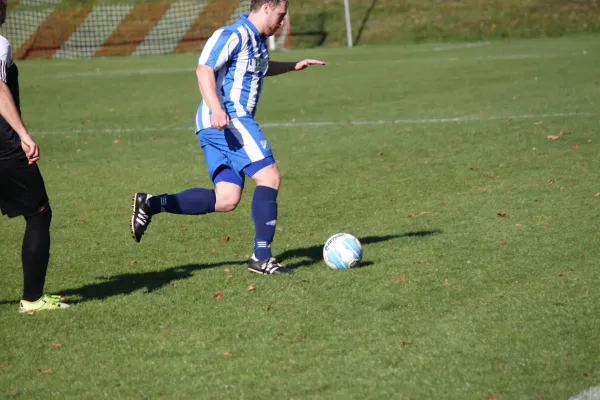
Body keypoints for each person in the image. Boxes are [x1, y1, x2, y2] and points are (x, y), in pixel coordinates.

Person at [131, 0, 325, 275]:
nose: (282, 22)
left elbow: (259, 68)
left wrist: (293, 66)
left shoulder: (258, 42)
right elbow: (203, 70)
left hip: (217, 124)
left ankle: (151, 204)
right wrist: (218, 109)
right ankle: (261, 257)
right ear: (267, 7)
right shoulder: (232, 34)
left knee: (227, 198)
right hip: (229, 119)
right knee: (269, 176)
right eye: (281, 15)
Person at [0, 0, 69, 312]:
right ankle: (32, 300)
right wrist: (23, 135)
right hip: (3, 146)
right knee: (39, 212)